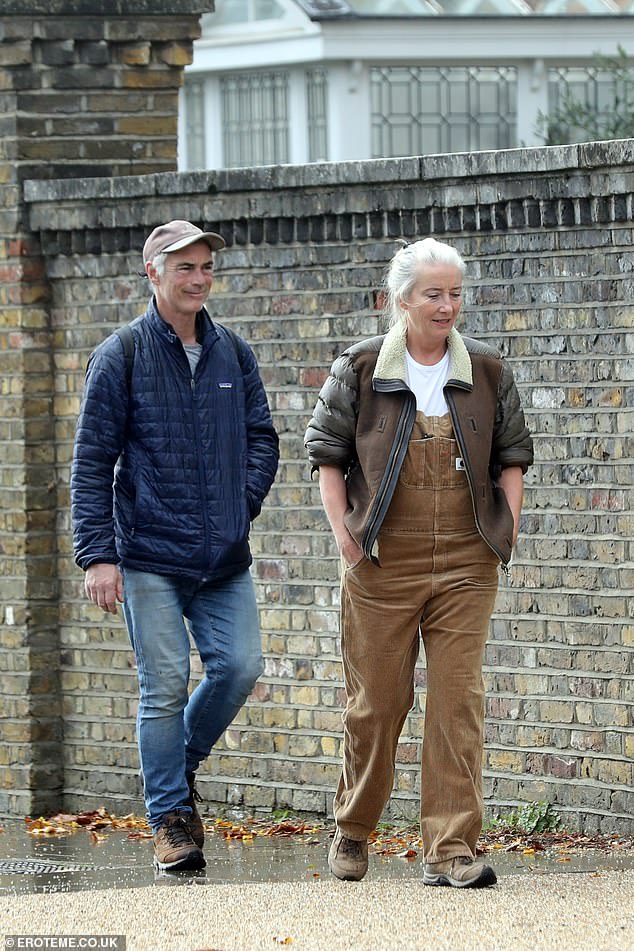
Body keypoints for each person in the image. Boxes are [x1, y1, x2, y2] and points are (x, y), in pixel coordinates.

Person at [304, 237, 533, 888]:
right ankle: (353, 826)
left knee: (457, 700)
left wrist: (506, 525)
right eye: (433, 293)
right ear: (400, 298)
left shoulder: (485, 369)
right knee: (378, 701)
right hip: (382, 559)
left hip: (467, 559)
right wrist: (346, 538)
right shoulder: (362, 366)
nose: (447, 305)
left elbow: (510, 455)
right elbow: (327, 454)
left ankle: (451, 849)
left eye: (455, 293)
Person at [71, 220, 279, 872]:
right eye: (184, 266)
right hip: (149, 556)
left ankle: (175, 768)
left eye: (205, 267)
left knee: (241, 665)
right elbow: (92, 461)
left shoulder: (232, 353)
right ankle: (171, 820)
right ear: (153, 273)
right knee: (162, 685)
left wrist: (235, 508)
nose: (197, 278)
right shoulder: (122, 354)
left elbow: (262, 438)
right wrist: (97, 553)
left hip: (222, 557)